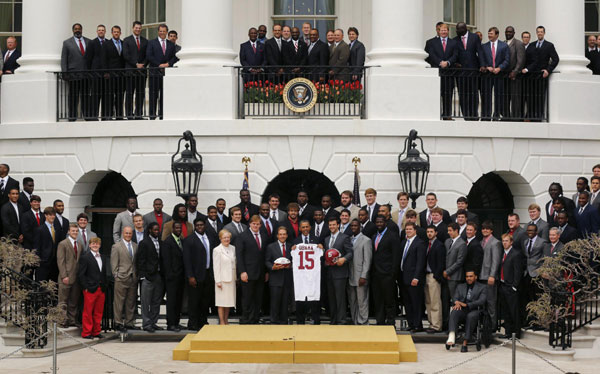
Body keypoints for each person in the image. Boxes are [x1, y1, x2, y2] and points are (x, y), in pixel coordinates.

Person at [235, 215, 268, 324]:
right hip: (247, 273)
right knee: (247, 298)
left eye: (258, 224)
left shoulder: (264, 235)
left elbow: (265, 255)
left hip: (261, 273)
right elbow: (239, 256)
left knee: (258, 298)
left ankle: (255, 319)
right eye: (254, 223)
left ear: (260, 225)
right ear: (250, 224)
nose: (255, 226)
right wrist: (242, 272)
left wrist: (266, 272)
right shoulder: (242, 236)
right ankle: (246, 319)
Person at [183, 217, 215, 330]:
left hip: (208, 274)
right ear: (195, 227)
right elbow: (187, 260)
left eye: (202, 225)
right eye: (197, 225)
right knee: (194, 301)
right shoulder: (189, 240)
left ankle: (203, 321)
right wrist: (190, 276)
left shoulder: (210, 238)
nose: (200, 227)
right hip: (195, 275)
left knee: (205, 300)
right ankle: (193, 323)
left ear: (205, 225)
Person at [521, 26, 559, 120]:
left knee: (540, 97)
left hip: (542, 75)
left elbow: (556, 59)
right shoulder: (532, 45)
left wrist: (548, 70)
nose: (540, 33)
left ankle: (538, 116)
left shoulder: (549, 45)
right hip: (531, 76)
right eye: (538, 32)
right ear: (536, 33)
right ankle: (530, 115)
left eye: (541, 32)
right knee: (531, 96)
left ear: (544, 33)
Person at [291, 221, 324, 325]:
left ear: (310, 227)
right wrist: (292, 249)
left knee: (314, 297)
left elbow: (322, 256)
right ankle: (300, 321)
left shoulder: (317, 240)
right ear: (300, 228)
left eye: (307, 227)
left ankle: (315, 320)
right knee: (300, 297)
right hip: (301, 275)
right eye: (303, 227)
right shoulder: (295, 241)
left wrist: (321, 248)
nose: (305, 229)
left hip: (313, 274)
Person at [446, 270, 487, 352]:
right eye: (467, 276)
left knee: (470, 316)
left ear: (475, 277)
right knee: (454, 312)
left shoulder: (482, 287)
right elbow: (455, 298)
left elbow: (482, 301)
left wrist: (468, 305)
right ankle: (451, 335)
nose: (469, 278)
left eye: (471, 276)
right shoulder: (460, 286)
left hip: (475, 310)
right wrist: (456, 302)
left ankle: (465, 342)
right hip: (462, 309)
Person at [323, 216, 353, 325]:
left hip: (340, 273)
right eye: (330, 225)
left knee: (340, 297)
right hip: (330, 272)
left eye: (333, 224)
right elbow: (326, 255)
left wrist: (343, 259)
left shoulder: (344, 237)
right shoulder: (326, 239)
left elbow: (350, 253)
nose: (331, 227)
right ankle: (333, 319)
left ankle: (341, 320)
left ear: (338, 225)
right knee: (331, 298)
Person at [398, 222, 426, 332]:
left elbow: (420, 262)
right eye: (407, 229)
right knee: (407, 303)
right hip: (403, 277)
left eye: (410, 229)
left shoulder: (420, 243)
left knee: (416, 302)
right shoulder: (404, 242)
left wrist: (416, 277)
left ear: (415, 230)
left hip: (414, 278)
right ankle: (411, 323)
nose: (408, 231)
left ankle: (417, 325)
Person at [136, 222, 164, 332]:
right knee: (145, 301)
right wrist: (143, 276)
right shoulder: (144, 243)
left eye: (158, 230)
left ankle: (153, 322)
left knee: (156, 301)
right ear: (150, 231)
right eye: (155, 230)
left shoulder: (161, 242)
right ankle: (146, 324)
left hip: (158, 276)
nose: (157, 231)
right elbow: (140, 261)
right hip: (148, 276)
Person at [61, 23, 92, 121]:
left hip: (86, 74)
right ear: (73, 30)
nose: (77, 30)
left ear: (82, 30)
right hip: (73, 74)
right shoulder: (67, 43)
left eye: (79, 29)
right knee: (73, 97)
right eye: (75, 29)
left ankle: (87, 115)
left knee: (86, 96)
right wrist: (64, 73)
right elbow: (64, 59)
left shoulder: (89, 42)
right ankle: (72, 116)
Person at [372, 215, 399, 326]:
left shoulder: (392, 236)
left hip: (388, 274)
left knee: (389, 299)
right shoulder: (374, 236)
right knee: (378, 299)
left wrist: (393, 273)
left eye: (381, 222)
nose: (379, 224)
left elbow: (396, 256)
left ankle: (391, 321)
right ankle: (380, 320)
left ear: (385, 223)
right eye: (377, 222)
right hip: (376, 274)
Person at [479, 26, 510, 121]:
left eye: (491, 34)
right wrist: (486, 66)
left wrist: (499, 68)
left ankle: (496, 115)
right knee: (486, 95)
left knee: (499, 95)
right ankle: (486, 116)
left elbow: (507, 60)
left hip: (499, 74)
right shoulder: (484, 46)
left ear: (497, 34)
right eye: (488, 34)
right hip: (487, 75)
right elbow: (481, 59)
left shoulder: (504, 46)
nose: (489, 35)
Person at [78, 237, 106, 339]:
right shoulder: (85, 257)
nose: (95, 245)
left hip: (101, 289)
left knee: (98, 312)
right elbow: (81, 275)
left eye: (97, 244)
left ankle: (96, 331)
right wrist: (86, 287)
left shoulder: (102, 257)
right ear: (89, 245)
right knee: (88, 312)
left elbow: (103, 273)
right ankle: (86, 332)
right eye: (93, 243)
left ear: (99, 245)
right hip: (90, 289)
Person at [111, 226, 138, 332]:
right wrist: (116, 275)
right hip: (121, 277)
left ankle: (129, 322)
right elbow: (114, 263)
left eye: (130, 233)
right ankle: (118, 322)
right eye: (126, 233)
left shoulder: (135, 246)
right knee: (119, 302)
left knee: (131, 302)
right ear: (123, 233)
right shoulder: (116, 246)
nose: (128, 235)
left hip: (132, 277)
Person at [147, 23, 177, 119]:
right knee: (153, 95)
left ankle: (162, 115)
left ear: (166, 32)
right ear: (158, 32)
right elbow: (149, 56)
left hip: (166, 74)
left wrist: (168, 64)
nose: (162, 33)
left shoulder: (171, 44)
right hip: (154, 73)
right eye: (160, 31)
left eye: (164, 31)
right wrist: (159, 65)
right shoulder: (151, 43)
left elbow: (174, 57)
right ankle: (152, 115)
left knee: (164, 95)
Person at [521, 223, 547, 329]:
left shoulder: (542, 242)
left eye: (532, 231)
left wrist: (541, 271)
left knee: (537, 298)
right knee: (528, 298)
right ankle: (530, 322)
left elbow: (544, 258)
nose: (530, 232)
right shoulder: (525, 241)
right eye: (528, 231)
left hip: (537, 273)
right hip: (527, 273)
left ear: (536, 232)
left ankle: (539, 322)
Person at [265, 226, 293, 324]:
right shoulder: (271, 247)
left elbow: (295, 261)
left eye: (284, 234)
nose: (282, 236)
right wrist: (273, 267)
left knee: (285, 303)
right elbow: (267, 261)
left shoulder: (291, 246)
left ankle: (284, 322)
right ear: (277, 235)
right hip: (275, 279)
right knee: (275, 303)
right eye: (280, 234)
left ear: (287, 235)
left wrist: (290, 266)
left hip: (287, 279)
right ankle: (274, 322)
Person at [454, 22, 481, 120]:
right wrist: (455, 63)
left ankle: (474, 114)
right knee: (463, 94)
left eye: (458, 29)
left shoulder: (474, 37)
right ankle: (466, 115)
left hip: (473, 71)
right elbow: (454, 55)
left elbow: (480, 51)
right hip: (461, 73)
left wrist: (482, 66)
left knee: (473, 94)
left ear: (464, 29)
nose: (457, 31)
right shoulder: (455, 40)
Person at [442, 223, 467, 330]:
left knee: (455, 301)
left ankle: (455, 325)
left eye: (450, 230)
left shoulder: (462, 244)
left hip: (455, 277)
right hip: (445, 276)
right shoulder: (447, 241)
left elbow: (460, 261)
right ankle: (445, 324)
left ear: (456, 231)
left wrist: (448, 272)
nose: (448, 232)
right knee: (444, 301)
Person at [57, 223, 82, 328]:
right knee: (63, 300)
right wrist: (64, 276)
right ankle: (62, 321)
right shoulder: (63, 244)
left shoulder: (80, 244)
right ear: (68, 232)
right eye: (73, 231)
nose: (75, 233)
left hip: (76, 277)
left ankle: (72, 320)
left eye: (76, 231)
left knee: (74, 300)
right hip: (66, 277)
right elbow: (60, 261)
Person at [347, 219, 371, 325]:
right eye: (351, 226)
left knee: (362, 301)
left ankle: (363, 322)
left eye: (355, 226)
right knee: (352, 301)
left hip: (360, 276)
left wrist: (364, 276)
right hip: (350, 275)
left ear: (360, 227)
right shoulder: (349, 239)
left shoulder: (366, 240)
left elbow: (367, 260)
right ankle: (355, 321)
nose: (353, 227)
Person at [161, 221, 184, 331]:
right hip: (171, 278)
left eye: (180, 228)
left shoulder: (182, 241)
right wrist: (169, 275)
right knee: (171, 302)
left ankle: (177, 322)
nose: (179, 230)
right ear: (172, 229)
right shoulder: (168, 242)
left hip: (180, 277)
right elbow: (166, 261)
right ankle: (171, 324)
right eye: (177, 228)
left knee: (179, 301)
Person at [498, 233, 522, 339]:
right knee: (506, 311)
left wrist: (514, 286)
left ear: (511, 242)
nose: (504, 243)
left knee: (513, 311)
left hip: (511, 286)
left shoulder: (516, 254)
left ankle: (516, 333)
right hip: (502, 285)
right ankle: (508, 332)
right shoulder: (502, 253)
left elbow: (518, 272)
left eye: (506, 241)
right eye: (503, 241)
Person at [123, 21, 148, 119]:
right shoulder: (127, 40)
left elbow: (147, 55)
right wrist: (136, 64)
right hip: (130, 71)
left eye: (139, 28)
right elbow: (126, 55)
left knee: (140, 93)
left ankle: (138, 114)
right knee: (129, 93)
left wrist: (143, 64)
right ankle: (129, 114)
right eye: (136, 28)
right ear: (133, 28)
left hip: (141, 72)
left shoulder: (145, 41)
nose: (138, 29)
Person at [479, 221, 502, 330]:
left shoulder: (495, 242)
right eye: (483, 229)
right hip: (481, 277)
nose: (485, 230)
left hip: (489, 277)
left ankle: (492, 327)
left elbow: (496, 261)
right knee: (483, 303)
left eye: (487, 229)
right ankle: (485, 325)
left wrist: (492, 275)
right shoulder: (481, 242)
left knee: (491, 303)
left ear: (491, 230)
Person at [213, 229, 237, 325]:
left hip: (231, 279)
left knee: (228, 302)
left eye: (228, 237)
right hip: (222, 280)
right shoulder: (217, 250)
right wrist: (218, 281)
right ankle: (222, 322)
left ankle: (226, 321)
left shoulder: (233, 248)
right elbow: (216, 266)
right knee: (221, 303)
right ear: (220, 239)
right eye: (224, 238)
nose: (226, 239)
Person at [424, 225, 445, 333]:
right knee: (428, 301)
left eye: (431, 231)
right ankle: (431, 323)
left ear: (436, 233)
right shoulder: (427, 244)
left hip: (433, 276)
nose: (429, 233)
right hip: (426, 275)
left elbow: (441, 263)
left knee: (435, 301)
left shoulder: (439, 245)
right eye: (428, 232)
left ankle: (437, 325)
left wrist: (436, 276)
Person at [85, 25, 107, 120]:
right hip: (95, 74)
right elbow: (88, 59)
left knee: (106, 96)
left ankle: (105, 116)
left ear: (105, 31)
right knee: (95, 96)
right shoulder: (92, 43)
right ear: (97, 32)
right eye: (99, 30)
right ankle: (94, 116)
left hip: (106, 74)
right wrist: (89, 73)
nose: (101, 31)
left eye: (102, 30)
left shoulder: (108, 42)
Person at [504, 26, 526, 119]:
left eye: (510, 32)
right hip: (504, 75)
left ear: (514, 33)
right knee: (505, 97)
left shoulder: (518, 44)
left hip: (514, 76)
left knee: (515, 98)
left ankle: (515, 117)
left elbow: (520, 60)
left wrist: (515, 72)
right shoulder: (503, 43)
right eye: (507, 32)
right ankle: (505, 116)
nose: (508, 33)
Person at [32, 207, 57, 281]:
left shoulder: (56, 228)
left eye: (53, 215)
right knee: (41, 285)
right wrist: (40, 261)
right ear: (45, 215)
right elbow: (36, 247)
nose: (52, 217)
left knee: (53, 286)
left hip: (54, 263)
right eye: (50, 215)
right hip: (43, 262)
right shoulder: (40, 229)